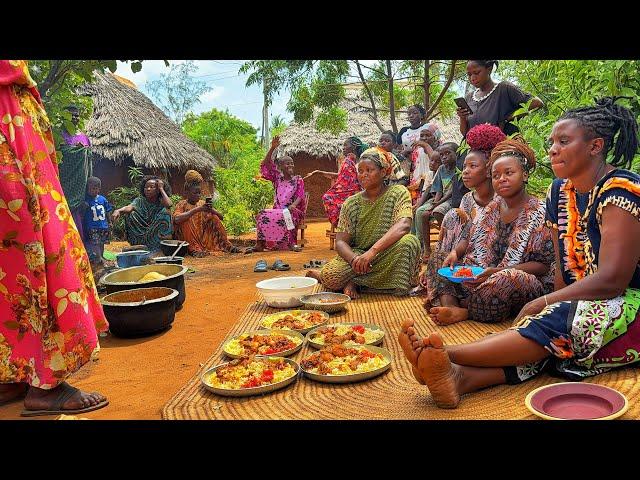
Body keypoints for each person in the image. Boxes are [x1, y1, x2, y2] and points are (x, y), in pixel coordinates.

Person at [398, 97, 640, 409]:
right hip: (579, 299)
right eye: (552, 141)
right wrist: (552, 303)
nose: (553, 148)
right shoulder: (559, 191)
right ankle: (460, 377)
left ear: (595, 146)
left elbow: (613, 281)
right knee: (547, 337)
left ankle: (448, 355)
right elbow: (561, 269)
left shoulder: (622, 188)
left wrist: (546, 302)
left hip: (628, 302)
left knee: (554, 325)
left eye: (564, 141)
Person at [0, 60, 108, 416]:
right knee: (38, 250)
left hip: (12, 124)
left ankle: (13, 371)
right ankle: (45, 385)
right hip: (8, 133)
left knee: (8, 262)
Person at [426, 137, 554, 325]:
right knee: (439, 257)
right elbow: (467, 236)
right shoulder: (491, 207)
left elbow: (543, 267)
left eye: (509, 173)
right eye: (496, 175)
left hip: (513, 282)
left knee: (506, 279)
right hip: (479, 277)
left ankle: (465, 311)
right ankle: (451, 304)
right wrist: (455, 252)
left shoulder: (540, 212)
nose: (502, 179)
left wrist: (496, 272)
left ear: (525, 175)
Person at [306, 147, 421, 298]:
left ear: (383, 172)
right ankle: (328, 276)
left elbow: (404, 225)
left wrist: (372, 252)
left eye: (369, 170)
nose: (364, 175)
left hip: (386, 252)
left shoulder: (398, 192)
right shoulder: (351, 203)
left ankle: (357, 282)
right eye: (360, 171)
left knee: (409, 242)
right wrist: (355, 259)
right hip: (358, 256)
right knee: (331, 277)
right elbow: (340, 242)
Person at [413, 124, 504, 295]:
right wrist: (455, 253)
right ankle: (442, 280)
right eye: (464, 168)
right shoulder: (467, 199)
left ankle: (450, 293)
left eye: (472, 167)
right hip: (464, 261)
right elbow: (465, 235)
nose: (465, 172)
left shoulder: (502, 202)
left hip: (491, 267)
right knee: (452, 216)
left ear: (488, 170)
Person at [457, 60, 544, 137]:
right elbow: (465, 133)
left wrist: (509, 117)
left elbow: (537, 103)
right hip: (477, 152)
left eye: (477, 73)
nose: (472, 78)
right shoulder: (469, 97)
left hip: (503, 149)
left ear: (489, 69)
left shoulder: (504, 89)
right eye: (469, 74)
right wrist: (462, 117)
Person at [249, 136, 306, 252]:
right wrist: (272, 148)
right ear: (280, 167)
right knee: (262, 214)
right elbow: (265, 165)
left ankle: (291, 243)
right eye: (287, 164)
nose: (290, 166)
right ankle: (260, 244)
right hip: (278, 209)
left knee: (287, 213)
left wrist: (293, 205)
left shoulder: (298, 179)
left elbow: (300, 195)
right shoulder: (277, 178)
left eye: (292, 163)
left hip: (293, 210)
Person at [172, 170, 242, 256]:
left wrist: (211, 210)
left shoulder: (202, 203)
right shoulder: (182, 204)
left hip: (202, 237)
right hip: (186, 239)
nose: (198, 195)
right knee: (185, 220)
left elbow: (221, 217)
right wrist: (197, 209)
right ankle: (193, 250)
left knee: (213, 217)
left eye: (199, 193)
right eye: (195, 193)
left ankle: (226, 245)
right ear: (187, 192)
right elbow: (176, 219)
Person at [305, 136, 365, 228]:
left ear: (353, 147)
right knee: (328, 197)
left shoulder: (357, 162)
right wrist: (319, 172)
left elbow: (356, 180)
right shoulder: (348, 161)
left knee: (328, 197)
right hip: (351, 193)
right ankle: (342, 224)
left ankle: (341, 224)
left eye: (346, 145)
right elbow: (341, 176)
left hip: (356, 193)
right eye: (343, 145)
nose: (343, 147)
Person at [414, 142, 458, 257]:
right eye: (442, 154)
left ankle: (447, 241)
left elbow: (451, 191)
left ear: (456, 153)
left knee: (438, 212)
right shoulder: (442, 169)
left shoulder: (458, 169)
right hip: (441, 199)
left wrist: (438, 203)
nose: (444, 157)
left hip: (452, 199)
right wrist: (434, 202)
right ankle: (427, 248)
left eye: (448, 153)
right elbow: (438, 189)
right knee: (424, 214)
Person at [111, 175, 173, 253]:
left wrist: (161, 188)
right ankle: (138, 245)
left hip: (157, 231)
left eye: (152, 187)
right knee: (131, 214)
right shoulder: (139, 200)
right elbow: (129, 207)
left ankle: (160, 247)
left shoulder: (161, 201)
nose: (148, 189)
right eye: (146, 187)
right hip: (142, 231)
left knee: (166, 212)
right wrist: (118, 210)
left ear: (157, 190)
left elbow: (169, 205)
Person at [58, 105, 92, 242]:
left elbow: (89, 158)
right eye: (72, 114)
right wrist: (75, 151)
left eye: (77, 115)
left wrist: (83, 151)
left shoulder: (84, 137)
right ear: (64, 116)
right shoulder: (58, 135)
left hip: (81, 184)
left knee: (80, 217)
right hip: (65, 183)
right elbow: (57, 155)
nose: (75, 117)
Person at [82, 176, 113, 269]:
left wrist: (110, 222)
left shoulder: (102, 199)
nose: (93, 191)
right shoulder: (86, 200)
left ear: (99, 189)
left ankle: (101, 255)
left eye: (96, 189)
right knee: (95, 243)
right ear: (87, 189)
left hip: (103, 225)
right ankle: (98, 258)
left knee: (102, 242)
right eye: (91, 189)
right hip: (92, 227)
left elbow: (107, 211)